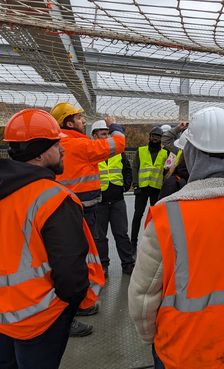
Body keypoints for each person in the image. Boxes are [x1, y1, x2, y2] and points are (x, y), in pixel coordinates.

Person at [128, 106, 224, 369]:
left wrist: (151, 338)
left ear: (190, 153)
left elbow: (143, 298)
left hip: (182, 351)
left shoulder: (167, 216)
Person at [0, 109, 105, 368]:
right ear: (40, 152)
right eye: (57, 143)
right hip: (40, 320)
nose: (63, 149)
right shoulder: (55, 199)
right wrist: (69, 309)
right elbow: (71, 275)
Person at [50, 102, 125, 335]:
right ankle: (76, 308)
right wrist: (115, 126)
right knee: (80, 259)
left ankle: (78, 304)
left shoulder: (57, 144)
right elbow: (118, 144)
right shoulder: (80, 144)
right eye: (80, 118)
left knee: (71, 258)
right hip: (83, 210)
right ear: (69, 122)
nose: (84, 121)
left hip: (64, 210)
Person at [91, 121, 135, 278]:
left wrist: (125, 186)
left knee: (121, 234)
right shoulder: (91, 153)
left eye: (108, 133)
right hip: (99, 201)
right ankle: (103, 265)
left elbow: (127, 170)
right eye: (103, 133)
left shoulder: (118, 152)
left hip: (117, 200)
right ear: (94, 135)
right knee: (100, 236)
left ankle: (128, 264)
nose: (107, 136)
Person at [130, 126, 168, 253]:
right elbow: (135, 168)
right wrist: (135, 185)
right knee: (137, 216)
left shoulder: (165, 153)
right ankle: (133, 243)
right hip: (142, 188)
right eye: (153, 136)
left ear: (161, 138)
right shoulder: (141, 151)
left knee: (156, 218)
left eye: (158, 136)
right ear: (149, 137)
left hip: (156, 189)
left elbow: (167, 170)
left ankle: (155, 243)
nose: (155, 138)